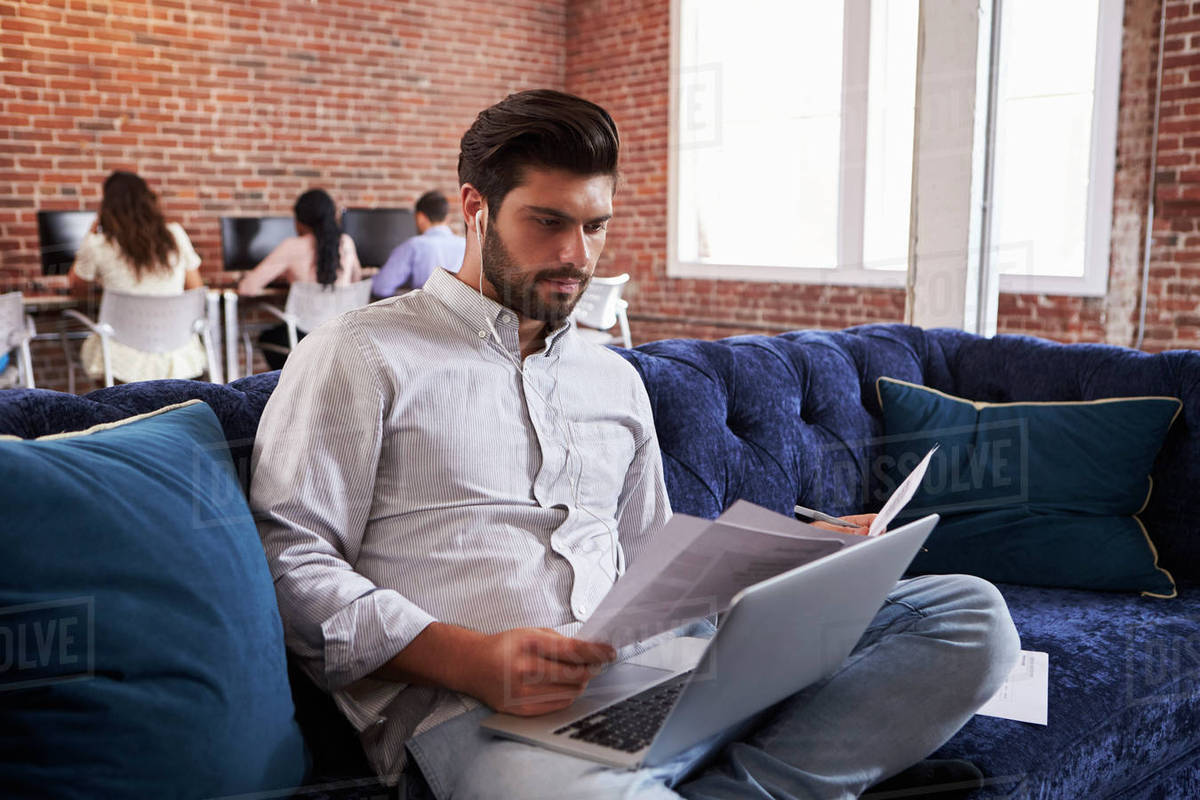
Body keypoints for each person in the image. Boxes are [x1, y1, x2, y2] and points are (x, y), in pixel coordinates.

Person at [249, 90, 1020, 799]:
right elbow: (292, 561)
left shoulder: (612, 378)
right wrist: (471, 660)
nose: (578, 255)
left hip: (664, 669)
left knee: (967, 615)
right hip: (480, 719)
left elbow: (654, 561)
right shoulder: (361, 353)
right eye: (548, 222)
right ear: (476, 208)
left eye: (595, 226)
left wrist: (800, 556)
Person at [67, 171, 207, 383]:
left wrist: (92, 230)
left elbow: (77, 288)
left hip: (121, 362)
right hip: (176, 353)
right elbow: (195, 288)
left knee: (101, 343)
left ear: (106, 207)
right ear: (149, 202)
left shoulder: (97, 244)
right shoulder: (175, 235)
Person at [237, 188, 362, 370]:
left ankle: (292, 378)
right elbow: (356, 281)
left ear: (300, 220)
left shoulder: (292, 247)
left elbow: (247, 288)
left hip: (304, 338)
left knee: (267, 337)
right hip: (341, 335)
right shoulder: (346, 243)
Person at [371, 190, 466, 297]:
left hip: (425, 307)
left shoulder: (413, 246)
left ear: (420, 217)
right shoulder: (465, 245)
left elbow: (381, 287)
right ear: (447, 218)